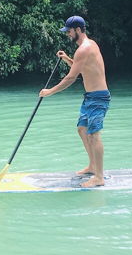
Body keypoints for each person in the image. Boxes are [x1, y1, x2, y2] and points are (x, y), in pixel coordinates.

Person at [39, 16, 110, 188]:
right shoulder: (89, 45)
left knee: (94, 134)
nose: (68, 35)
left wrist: (49, 92)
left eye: (69, 31)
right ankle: (92, 166)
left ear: (78, 29)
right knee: (82, 129)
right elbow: (81, 68)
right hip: (90, 97)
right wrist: (67, 59)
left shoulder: (84, 49)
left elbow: (71, 78)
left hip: (98, 97)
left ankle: (99, 177)